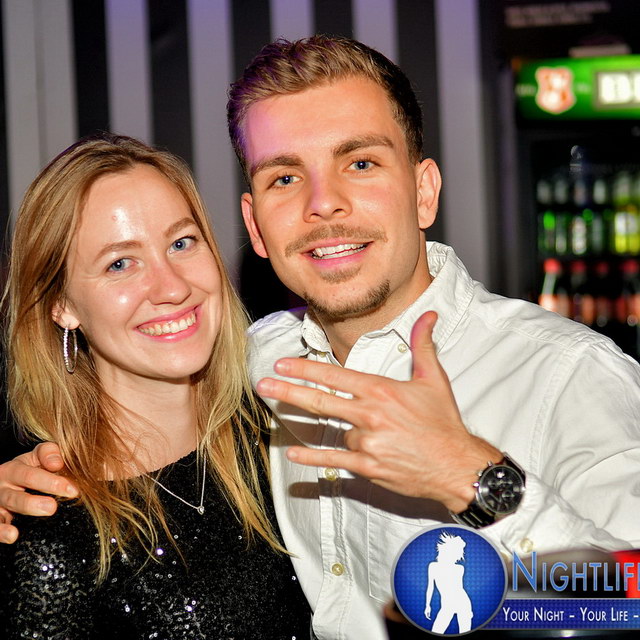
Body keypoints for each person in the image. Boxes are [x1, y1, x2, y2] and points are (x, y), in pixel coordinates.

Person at [3, 35, 640, 640]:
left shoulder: (566, 375)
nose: (323, 203)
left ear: (423, 192)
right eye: (284, 178)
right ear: (255, 226)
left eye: (360, 163)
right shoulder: (255, 366)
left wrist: (473, 478)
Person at [0, 133, 310, 639]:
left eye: (181, 243)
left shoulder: (283, 433)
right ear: (63, 305)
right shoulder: (52, 535)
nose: (172, 287)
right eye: (120, 263)